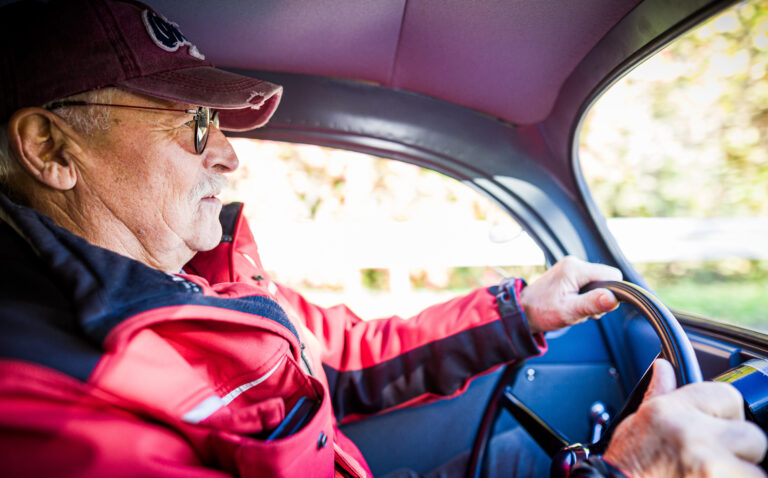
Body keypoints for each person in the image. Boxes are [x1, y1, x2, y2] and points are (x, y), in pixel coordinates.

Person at [0, 1, 764, 477]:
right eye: (197, 124)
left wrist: (520, 310)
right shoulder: (42, 404)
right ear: (51, 149)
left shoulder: (198, 281)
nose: (229, 154)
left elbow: (344, 353)